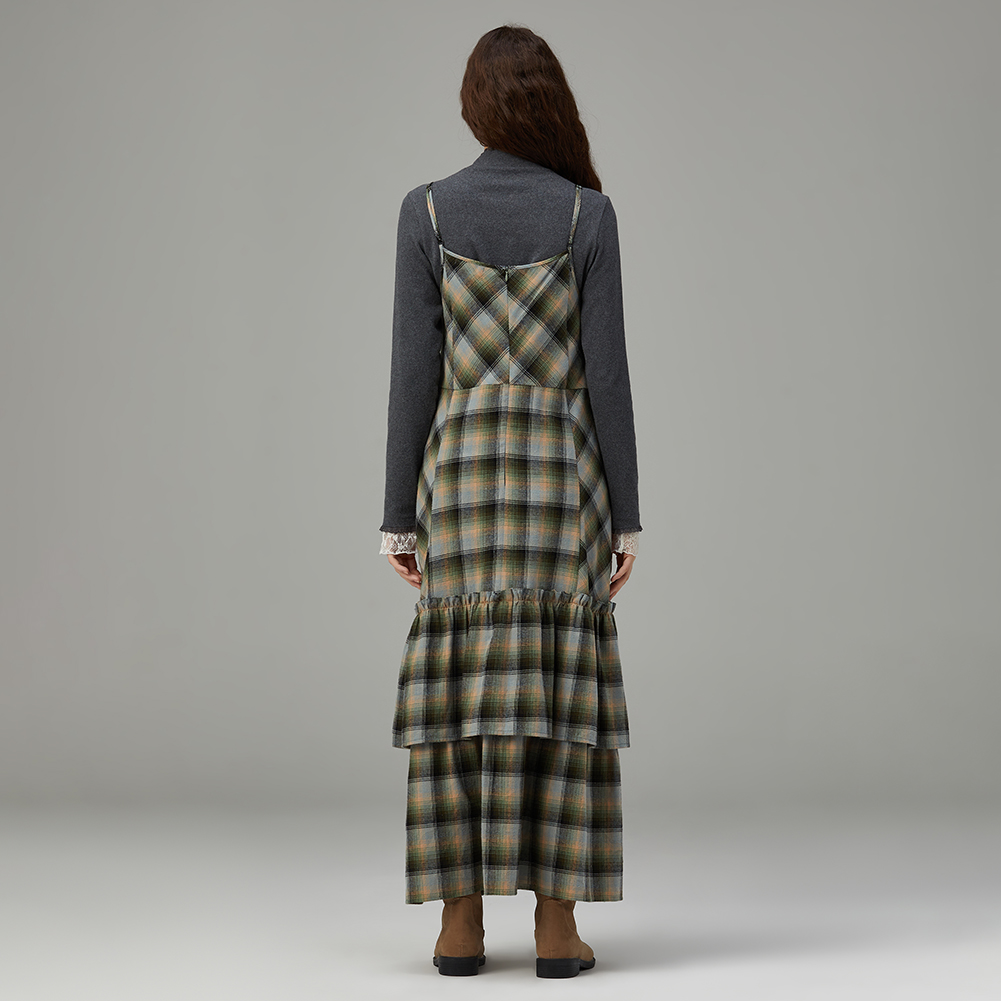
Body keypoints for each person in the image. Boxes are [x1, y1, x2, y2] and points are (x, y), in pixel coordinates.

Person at [379, 24, 642, 979]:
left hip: (459, 486)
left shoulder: (425, 211)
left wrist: (396, 515)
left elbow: (413, 376)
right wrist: (626, 516)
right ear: (549, 102)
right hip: (561, 487)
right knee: (559, 698)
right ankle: (556, 932)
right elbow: (607, 379)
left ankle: (458, 928)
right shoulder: (586, 216)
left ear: (474, 105)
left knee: (461, 696)